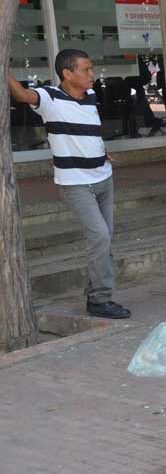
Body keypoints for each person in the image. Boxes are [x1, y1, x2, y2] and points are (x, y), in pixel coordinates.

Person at [7, 50, 131, 319]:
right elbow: (21, 95)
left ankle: (96, 295)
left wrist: (100, 152)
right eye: (86, 70)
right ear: (67, 73)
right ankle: (99, 299)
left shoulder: (91, 97)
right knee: (99, 237)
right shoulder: (50, 98)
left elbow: (87, 133)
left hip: (103, 177)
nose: (92, 75)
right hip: (76, 184)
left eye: (91, 69)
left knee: (105, 240)